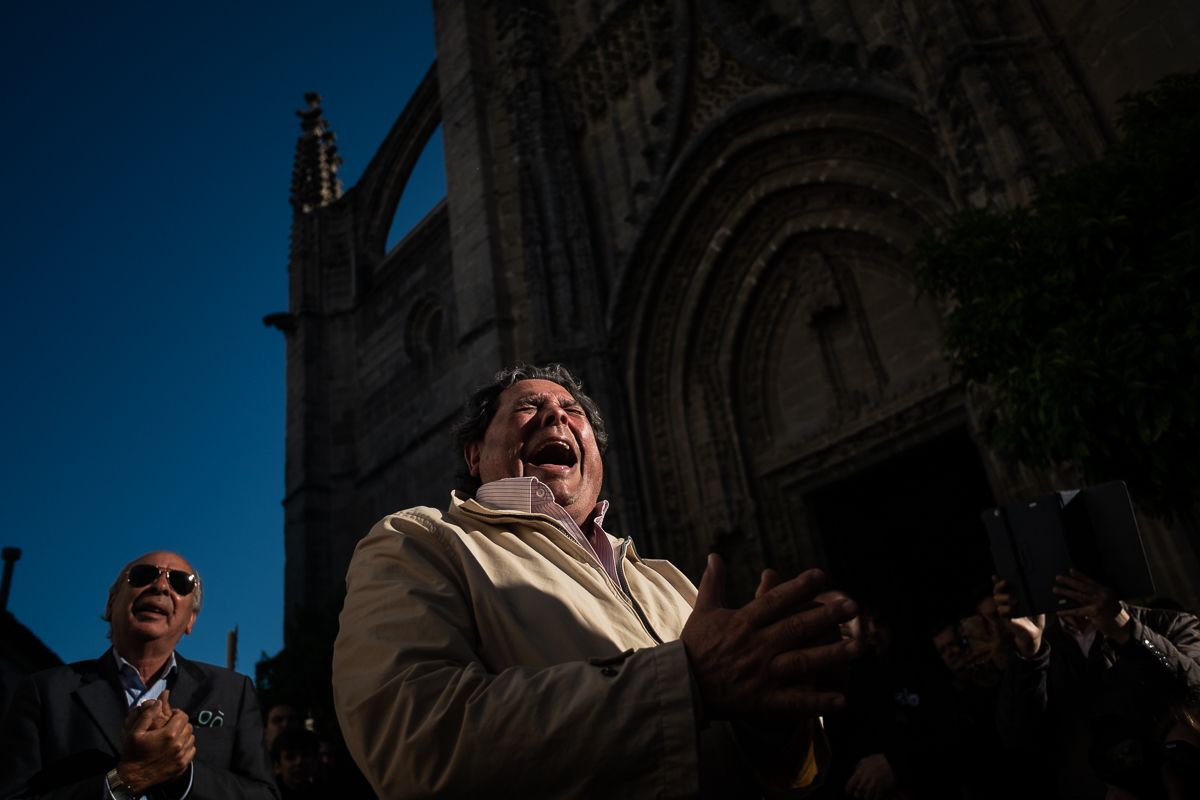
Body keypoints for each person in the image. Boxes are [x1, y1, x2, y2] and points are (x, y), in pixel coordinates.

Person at [333, 363, 861, 797]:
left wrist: (773, 716)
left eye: (573, 410)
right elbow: (415, 744)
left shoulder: (668, 581)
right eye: (527, 405)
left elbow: (787, 778)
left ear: (598, 454)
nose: (554, 417)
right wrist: (686, 681)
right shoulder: (421, 541)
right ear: (475, 455)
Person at [0, 551, 279, 800]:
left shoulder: (233, 692)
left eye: (181, 583)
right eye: (143, 576)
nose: (160, 586)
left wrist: (183, 775)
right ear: (111, 604)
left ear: (191, 620)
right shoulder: (45, 692)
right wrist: (125, 781)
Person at [994, 569, 1200, 798]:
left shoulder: (1170, 624)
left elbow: (1192, 688)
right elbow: (1017, 738)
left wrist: (1128, 631)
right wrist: (1030, 654)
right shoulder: (1039, 648)